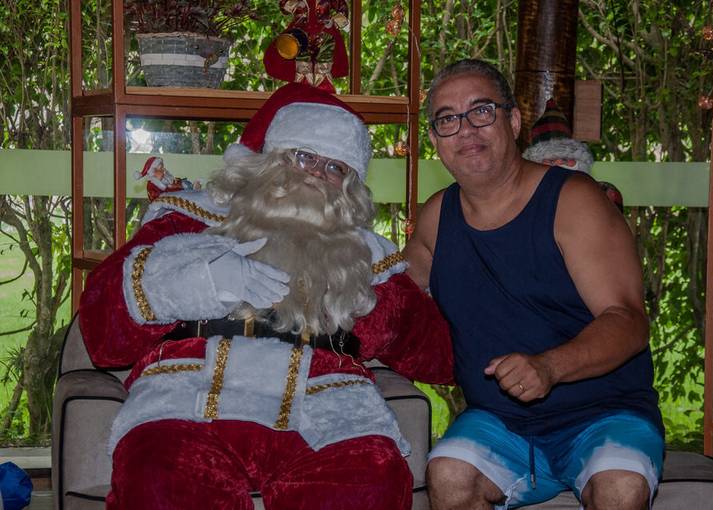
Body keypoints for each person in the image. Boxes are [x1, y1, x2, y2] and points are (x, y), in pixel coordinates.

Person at [79, 82, 454, 510]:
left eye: (335, 167)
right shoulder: (188, 219)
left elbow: (438, 350)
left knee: (371, 480)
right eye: (304, 156)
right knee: (161, 481)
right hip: (188, 400)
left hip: (327, 410)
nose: (317, 173)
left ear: (349, 188)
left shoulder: (363, 256)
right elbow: (102, 332)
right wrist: (201, 282)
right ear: (268, 159)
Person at [404, 59, 663, 509]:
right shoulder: (436, 217)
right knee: (447, 474)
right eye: (448, 119)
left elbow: (627, 320)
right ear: (435, 140)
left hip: (606, 414)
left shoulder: (575, 200)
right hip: (499, 421)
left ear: (514, 120)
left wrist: (549, 367)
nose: (466, 130)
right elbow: (391, 298)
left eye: (481, 111)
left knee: (620, 485)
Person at [522, 98, 624, 213]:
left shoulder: (595, 192)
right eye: (551, 161)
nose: (559, 162)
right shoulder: (527, 195)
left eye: (565, 159)